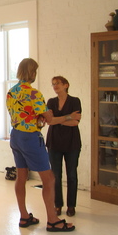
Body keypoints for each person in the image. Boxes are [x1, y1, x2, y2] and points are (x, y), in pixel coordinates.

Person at [6, 58, 79, 232]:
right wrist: (67, 116)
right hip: (30, 138)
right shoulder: (34, 93)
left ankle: (24, 216)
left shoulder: (11, 91)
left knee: (21, 176)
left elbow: (23, 114)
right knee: (49, 179)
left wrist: (41, 116)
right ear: (32, 72)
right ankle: (53, 220)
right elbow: (50, 119)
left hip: (16, 136)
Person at [45, 76, 82, 217]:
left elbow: (75, 122)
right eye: (53, 84)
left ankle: (71, 206)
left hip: (72, 143)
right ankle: (58, 205)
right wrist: (68, 117)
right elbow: (49, 121)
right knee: (55, 176)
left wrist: (57, 120)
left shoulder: (75, 101)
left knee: (72, 175)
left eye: (58, 83)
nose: (55, 86)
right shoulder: (51, 102)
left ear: (66, 85)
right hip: (54, 143)